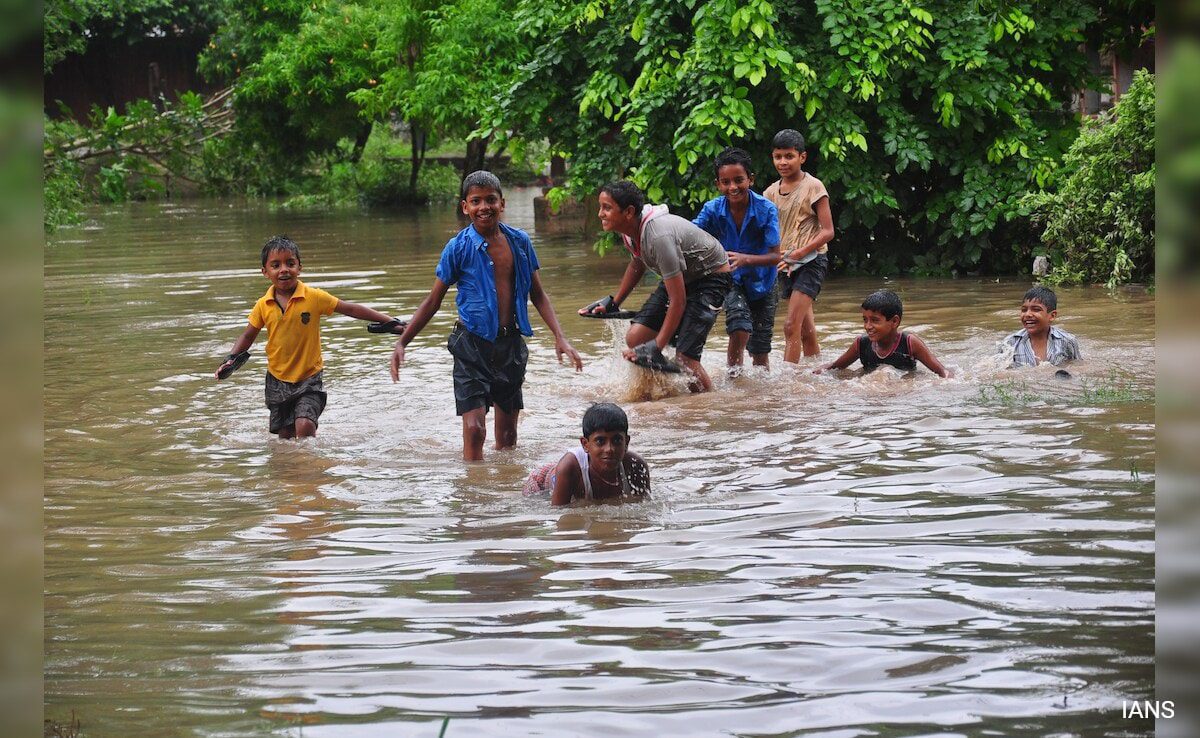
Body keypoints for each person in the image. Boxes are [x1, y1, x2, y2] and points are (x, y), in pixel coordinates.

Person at [390, 170, 583, 461]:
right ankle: (473, 492)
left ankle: (502, 496)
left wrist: (560, 337)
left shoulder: (519, 242)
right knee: (475, 428)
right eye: (476, 201)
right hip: (471, 345)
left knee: (507, 440)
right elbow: (433, 300)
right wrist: (403, 342)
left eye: (490, 200)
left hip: (510, 346)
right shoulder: (458, 248)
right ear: (465, 206)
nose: (484, 207)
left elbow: (538, 294)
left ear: (502, 203)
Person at [215, 235, 405, 438]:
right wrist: (231, 360)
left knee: (305, 426)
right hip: (277, 379)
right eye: (276, 265)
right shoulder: (263, 304)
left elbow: (351, 309)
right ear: (265, 272)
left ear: (299, 267)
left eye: (290, 263)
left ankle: (311, 467)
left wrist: (392, 323)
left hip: (309, 377)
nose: (284, 270)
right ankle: (291, 469)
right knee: (285, 437)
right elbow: (247, 335)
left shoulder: (313, 297)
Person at [580, 180, 733, 392]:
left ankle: (705, 406)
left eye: (607, 208)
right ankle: (665, 389)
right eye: (600, 207)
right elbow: (637, 263)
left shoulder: (658, 236)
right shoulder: (630, 232)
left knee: (685, 358)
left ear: (629, 212)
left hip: (711, 277)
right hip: (684, 276)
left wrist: (657, 346)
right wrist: (615, 303)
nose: (600, 214)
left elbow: (677, 301)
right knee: (635, 338)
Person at [693, 147, 782, 374]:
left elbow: (775, 256)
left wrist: (745, 259)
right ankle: (735, 378)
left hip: (765, 282)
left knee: (761, 347)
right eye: (726, 182)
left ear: (750, 179)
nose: (732, 187)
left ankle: (758, 396)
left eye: (738, 180)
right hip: (730, 279)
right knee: (738, 327)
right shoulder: (712, 209)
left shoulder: (766, 209)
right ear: (718, 184)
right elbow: (690, 234)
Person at [764, 129, 835, 362]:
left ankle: (789, 382)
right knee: (805, 329)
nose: (782, 162)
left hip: (811, 261)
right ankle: (815, 372)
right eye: (778, 157)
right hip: (785, 265)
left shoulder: (813, 187)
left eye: (788, 156)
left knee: (789, 325)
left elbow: (828, 231)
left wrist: (800, 252)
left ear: (802, 157)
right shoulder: (770, 193)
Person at [522, 402, 650, 505]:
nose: (609, 449)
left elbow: (644, 507)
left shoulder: (636, 467)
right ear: (585, 444)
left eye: (617, 440)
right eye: (600, 441)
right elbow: (559, 516)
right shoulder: (569, 468)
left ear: (626, 442)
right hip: (542, 483)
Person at [816, 289, 951, 377]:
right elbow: (835, 367)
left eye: (874, 320)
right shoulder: (861, 343)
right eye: (865, 320)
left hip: (903, 390)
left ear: (894, 322)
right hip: (872, 392)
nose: (868, 326)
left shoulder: (910, 343)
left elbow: (943, 372)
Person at [1003, 285, 1082, 367]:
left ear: (1052, 316)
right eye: (1024, 310)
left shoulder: (1067, 341)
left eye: (1036, 309)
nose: (1028, 314)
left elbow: (1078, 367)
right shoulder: (1010, 342)